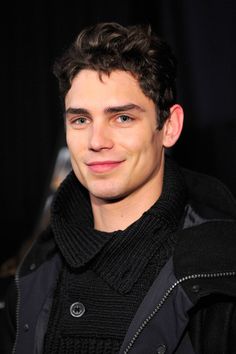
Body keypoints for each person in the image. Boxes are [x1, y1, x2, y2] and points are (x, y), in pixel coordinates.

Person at [1, 22, 236, 354]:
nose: (97, 142)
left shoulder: (221, 275)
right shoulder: (30, 275)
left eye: (122, 118)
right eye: (81, 120)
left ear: (169, 127)